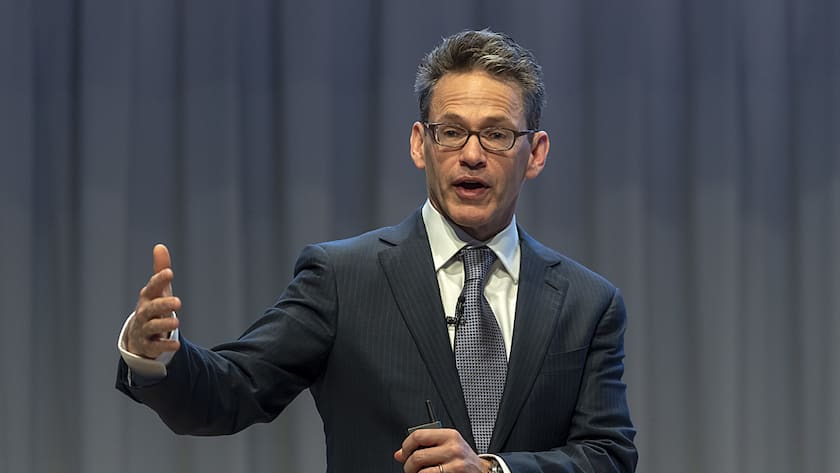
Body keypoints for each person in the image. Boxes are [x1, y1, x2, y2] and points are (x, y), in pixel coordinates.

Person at [116, 29, 637, 473]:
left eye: (497, 135)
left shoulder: (587, 303)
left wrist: (494, 469)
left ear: (536, 153)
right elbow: (229, 394)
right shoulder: (343, 278)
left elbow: (609, 455)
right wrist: (157, 355)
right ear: (419, 144)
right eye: (450, 132)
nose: (472, 155)